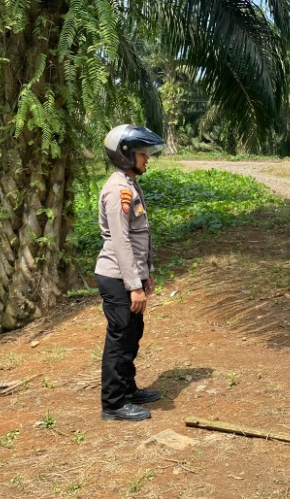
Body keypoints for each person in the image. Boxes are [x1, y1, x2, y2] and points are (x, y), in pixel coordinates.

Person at [95, 124, 164, 421]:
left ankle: (128, 388)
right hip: (115, 276)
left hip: (128, 275)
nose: (147, 158)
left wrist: (145, 273)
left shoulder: (130, 184)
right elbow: (121, 241)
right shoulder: (118, 190)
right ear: (125, 155)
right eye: (142, 153)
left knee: (133, 332)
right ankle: (113, 403)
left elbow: (139, 237)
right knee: (120, 336)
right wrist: (133, 285)